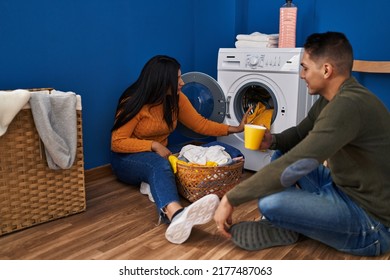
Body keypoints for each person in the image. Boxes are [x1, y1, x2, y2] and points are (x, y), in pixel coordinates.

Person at [214, 31, 390, 256]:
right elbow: (299, 133)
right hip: (341, 189)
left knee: (270, 202)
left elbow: (301, 161)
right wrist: (273, 140)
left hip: (371, 224)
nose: (301, 74)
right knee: (281, 152)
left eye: (305, 67)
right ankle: (289, 224)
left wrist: (232, 197)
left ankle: (287, 222)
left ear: (326, 70)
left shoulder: (347, 106)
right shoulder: (330, 100)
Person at [111, 55, 249, 244]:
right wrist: (153, 145)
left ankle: (156, 184)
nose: (182, 82)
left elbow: (200, 124)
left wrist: (236, 128)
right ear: (161, 81)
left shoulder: (175, 99)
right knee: (159, 165)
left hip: (162, 152)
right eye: (177, 79)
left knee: (205, 149)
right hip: (127, 159)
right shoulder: (133, 100)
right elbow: (117, 142)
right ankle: (176, 215)